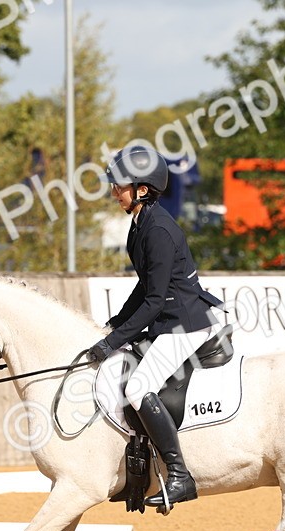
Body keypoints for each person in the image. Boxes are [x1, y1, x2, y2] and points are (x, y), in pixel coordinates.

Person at [88, 147, 224, 508]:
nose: (114, 192)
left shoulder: (159, 230)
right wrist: (115, 324)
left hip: (185, 324)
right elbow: (144, 286)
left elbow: (155, 300)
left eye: (120, 186)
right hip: (167, 318)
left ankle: (180, 475)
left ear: (143, 189)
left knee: (138, 386)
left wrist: (113, 341)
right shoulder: (140, 226)